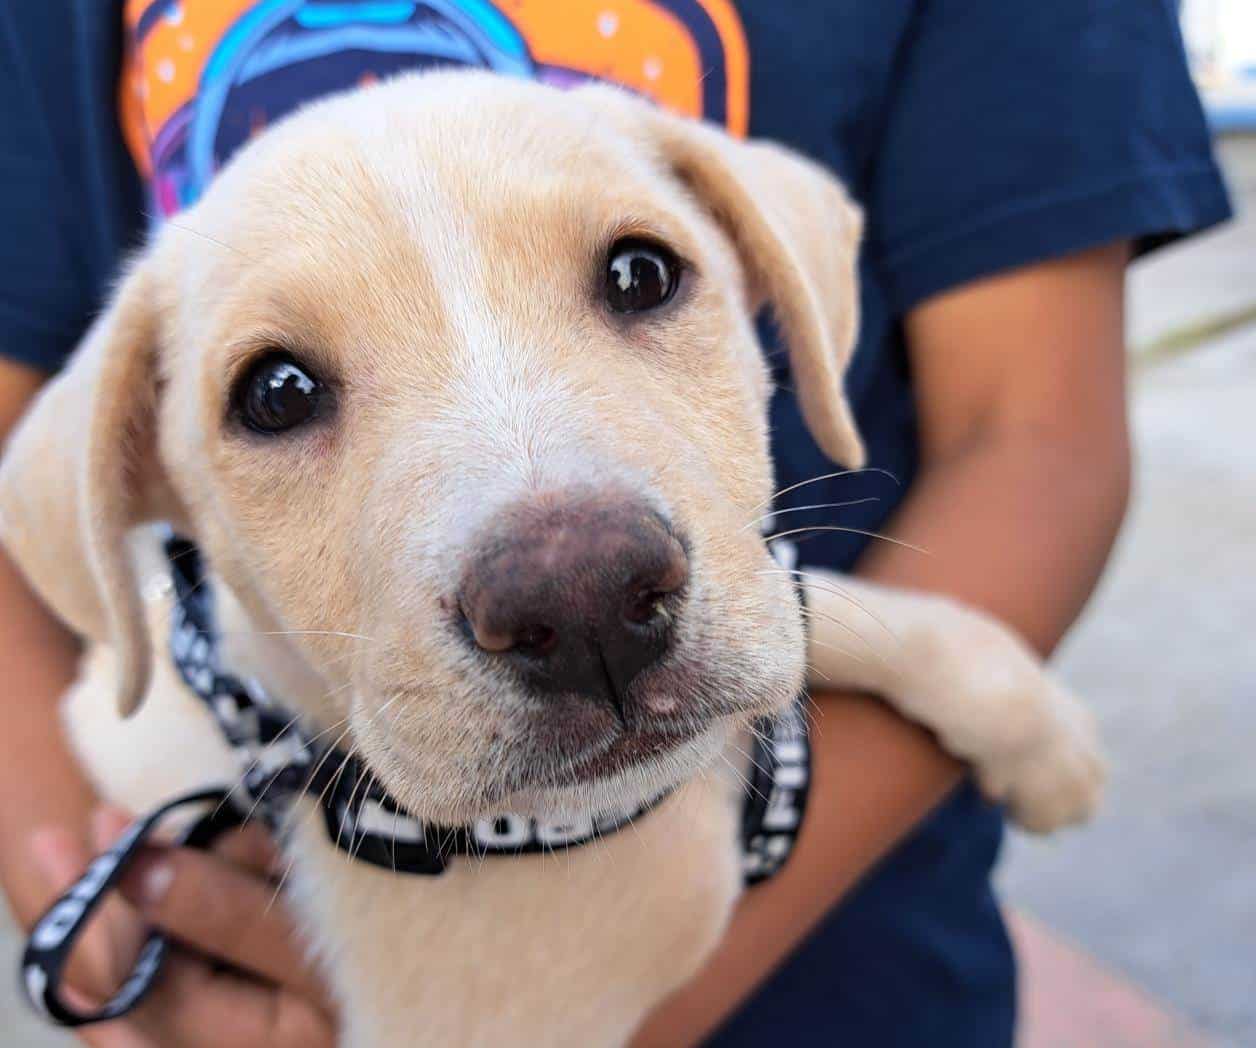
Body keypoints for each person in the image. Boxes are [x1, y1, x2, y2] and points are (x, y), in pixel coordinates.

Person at [0, 2, 1230, 1045]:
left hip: (858, 975)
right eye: (282, 392)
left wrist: (625, 990)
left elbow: (1031, 432)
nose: (563, 572)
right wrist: (111, 958)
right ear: (138, 466)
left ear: (765, 271)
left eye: (636, 278)